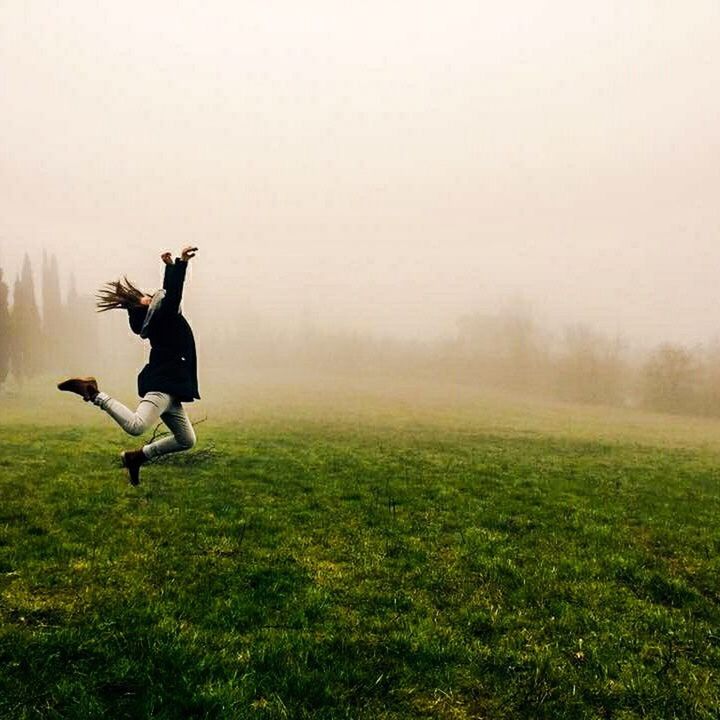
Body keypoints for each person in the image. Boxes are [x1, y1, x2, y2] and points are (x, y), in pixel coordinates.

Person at [58, 247, 200, 485]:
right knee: (136, 426)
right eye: (145, 300)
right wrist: (180, 263)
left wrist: (170, 266)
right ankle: (93, 392)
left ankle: (136, 457)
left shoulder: (162, 318)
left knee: (186, 440)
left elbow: (169, 296)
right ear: (148, 311)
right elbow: (173, 294)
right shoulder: (162, 319)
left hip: (172, 388)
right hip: (163, 385)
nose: (150, 296)